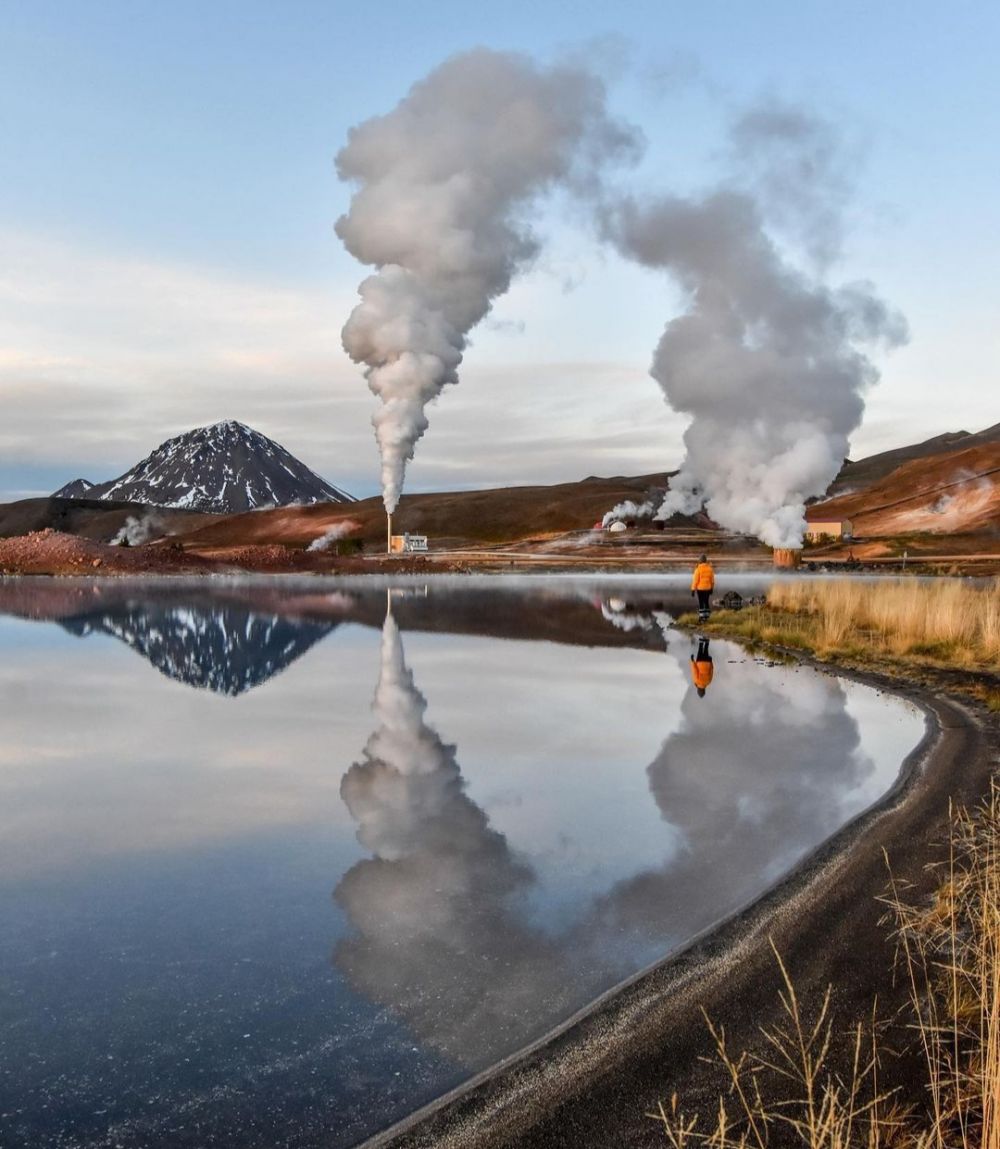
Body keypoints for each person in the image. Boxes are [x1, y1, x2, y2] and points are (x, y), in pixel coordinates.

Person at [690, 553, 715, 621]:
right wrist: (712, 588)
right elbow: (712, 580)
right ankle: (707, 617)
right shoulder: (710, 569)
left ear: (700, 560)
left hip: (700, 589)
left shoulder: (698, 569)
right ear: (706, 560)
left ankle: (701, 617)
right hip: (708, 588)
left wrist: (693, 590)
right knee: (706, 602)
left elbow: (695, 581)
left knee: (701, 602)